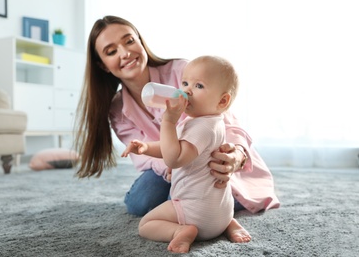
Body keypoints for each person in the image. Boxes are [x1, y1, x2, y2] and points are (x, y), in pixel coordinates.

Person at [74, 15, 280, 242]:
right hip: (172, 163)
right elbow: (145, 159)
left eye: (129, 41)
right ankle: (205, 210)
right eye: (111, 51)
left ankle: (218, 215)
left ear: (141, 42)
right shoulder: (117, 107)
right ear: (103, 65)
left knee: (207, 194)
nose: (125, 53)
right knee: (140, 201)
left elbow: (226, 121)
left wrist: (236, 155)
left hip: (210, 158)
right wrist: (170, 165)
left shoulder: (184, 72)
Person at [121, 55, 250, 253]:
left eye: (198, 86)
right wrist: (146, 148)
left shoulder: (201, 128)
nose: (187, 90)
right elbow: (172, 146)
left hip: (195, 214)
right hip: (220, 212)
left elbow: (174, 158)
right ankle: (228, 223)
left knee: (146, 224)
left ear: (222, 101)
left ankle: (180, 231)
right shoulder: (210, 122)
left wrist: (168, 122)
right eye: (185, 83)